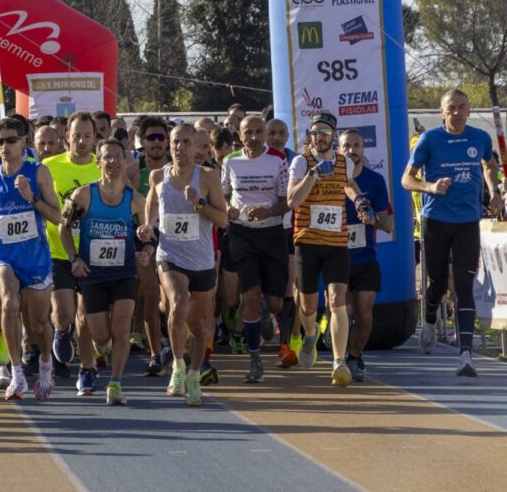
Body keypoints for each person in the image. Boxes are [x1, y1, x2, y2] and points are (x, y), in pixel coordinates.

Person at [403, 89, 503, 376]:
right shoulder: (429, 139)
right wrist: (430, 187)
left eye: (461, 107)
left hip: (468, 221)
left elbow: (489, 165)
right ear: (442, 112)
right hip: (435, 220)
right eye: (451, 108)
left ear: (469, 110)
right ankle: (430, 319)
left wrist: (494, 190)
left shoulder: (480, 138)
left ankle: (466, 355)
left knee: (463, 285)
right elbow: (406, 179)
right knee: (437, 285)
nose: (457, 112)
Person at [0, 117, 61, 401]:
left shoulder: (39, 172)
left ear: (24, 141)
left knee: (38, 326)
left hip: (35, 256)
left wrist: (31, 197)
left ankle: (46, 363)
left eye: (11, 140)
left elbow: (57, 217)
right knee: (9, 302)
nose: (4, 146)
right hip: (3, 254)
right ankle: (17, 372)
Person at [145, 123, 229, 406]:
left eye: (186, 142)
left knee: (199, 324)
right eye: (175, 142)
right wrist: (148, 226)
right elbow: (152, 203)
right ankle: (178, 366)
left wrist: (200, 203)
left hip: (201, 259)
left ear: (196, 147)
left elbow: (223, 220)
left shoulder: (207, 177)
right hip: (170, 256)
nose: (180, 147)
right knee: (179, 303)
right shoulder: (158, 175)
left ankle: (194, 374)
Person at [62, 139, 147, 405]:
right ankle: (101, 349)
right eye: (107, 157)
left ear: (125, 160)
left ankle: (115, 383)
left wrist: (146, 251)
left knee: (121, 326)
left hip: (124, 272)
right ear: (98, 162)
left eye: (117, 156)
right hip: (93, 274)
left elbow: (148, 236)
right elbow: (64, 227)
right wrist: (74, 258)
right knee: (100, 336)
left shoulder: (136, 200)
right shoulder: (83, 195)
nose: (112, 162)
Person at [287, 111, 364, 386]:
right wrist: (313, 175)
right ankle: (310, 335)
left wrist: (359, 201)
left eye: (325, 133)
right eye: (315, 133)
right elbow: (292, 201)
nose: (319, 137)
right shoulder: (301, 162)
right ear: (309, 136)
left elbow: (349, 185)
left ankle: (338, 361)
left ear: (334, 136)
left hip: (336, 242)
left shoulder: (344, 163)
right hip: (307, 241)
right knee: (308, 305)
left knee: (337, 299)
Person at [220, 114, 291, 384]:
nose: (254, 137)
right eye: (248, 132)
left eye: (259, 132)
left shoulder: (278, 160)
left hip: (272, 233)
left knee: (274, 302)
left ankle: (265, 311)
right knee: (248, 297)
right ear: (239, 135)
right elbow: (222, 194)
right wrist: (228, 209)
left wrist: (269, 211)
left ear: (265, 134)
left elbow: (287, 201)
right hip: (242, 233)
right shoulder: (230, 161)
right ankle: (255, 360)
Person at [42, 112, 101, 380]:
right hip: (57, 251)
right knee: (64, 313)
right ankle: (62, 330)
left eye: (87, 136)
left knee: (86, 314)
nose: (81, 141)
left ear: (95, 138)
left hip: (92, 251)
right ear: (66, 137)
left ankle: (87, 369)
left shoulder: (101, 166)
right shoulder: (49, 166)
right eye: (76, 136)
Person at [338, 129, 395, 381]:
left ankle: (354, 356)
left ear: (363, 149)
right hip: (336, 256)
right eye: (346, 146)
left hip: (365, 257)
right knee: (343, 311)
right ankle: (338, 355)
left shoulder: (375, 181)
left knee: (364, 313)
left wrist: (372, 219)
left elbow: (388, 225)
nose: (352, 150)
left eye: (356, 145)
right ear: (339, 150)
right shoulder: (329, 179)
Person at [128, 116, 170, 376]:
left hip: (175, 237)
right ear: (142, 142)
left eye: (160, 137)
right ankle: (155, 355)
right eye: (151, 138)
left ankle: (172, 342)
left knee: (172, 299)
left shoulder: (178, 169)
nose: (156, 143)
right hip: (143, 238)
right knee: (151, 294)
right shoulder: (133, 172)